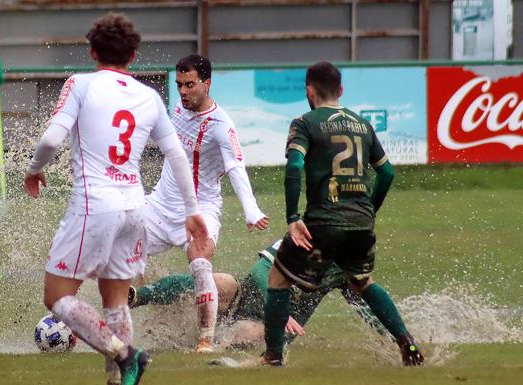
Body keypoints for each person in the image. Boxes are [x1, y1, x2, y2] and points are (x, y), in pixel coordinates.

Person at [23, 13, 208, 385]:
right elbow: (176, 155)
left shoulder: (81, 84)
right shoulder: (149, 96)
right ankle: (119, 378)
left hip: (95, 205)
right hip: (134, 206)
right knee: (116, 300)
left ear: (92, 51)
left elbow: (49, 140)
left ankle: (125, 355)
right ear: (134, 55)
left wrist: (34, 168)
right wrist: (192, 210)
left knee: (57, 296)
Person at [260, 61, 424, 367]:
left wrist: (293, 217)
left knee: (278, 277)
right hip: (361, 222)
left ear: (309, 90)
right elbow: (386, 173)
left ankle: (272, 356)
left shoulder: (304, 122)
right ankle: (407, 342)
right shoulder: (362, 124)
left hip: (322, 221)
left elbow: (294, 167)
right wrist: (369, 210)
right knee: (362, 280)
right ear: (341, 90)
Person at [144, 54, 269, 353]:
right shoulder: (177, 108)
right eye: (179, 85)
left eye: (190, 85)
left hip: (201, 208)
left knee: (200, 263)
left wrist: (251, 210)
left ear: (207, 83)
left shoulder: (221, 125)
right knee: (119, 247)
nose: (184, 91)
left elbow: (236, 167)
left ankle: (206, 339)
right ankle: (126, 311)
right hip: (161, 204)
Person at [128, 239, 394, 348]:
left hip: (268, 324)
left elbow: (365, 306)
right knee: (219, 282)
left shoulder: (345, 270)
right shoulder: (302, 236)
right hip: (244, 297)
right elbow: (260, 268)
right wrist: (279, 307)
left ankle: (199, 347)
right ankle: (139, 295)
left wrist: (397, 336)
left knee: (246, 333)